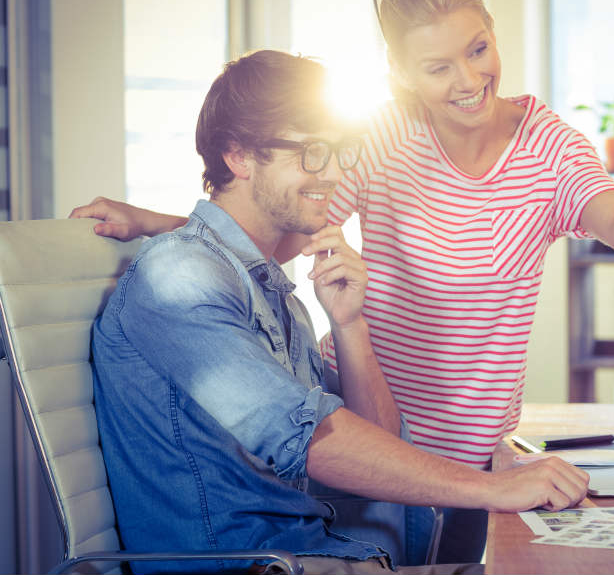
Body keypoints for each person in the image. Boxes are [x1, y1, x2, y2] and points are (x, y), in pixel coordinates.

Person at [72, 0, 614, 562]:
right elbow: (279, 226)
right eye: (437, 65)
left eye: (478, 48)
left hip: (442, 458)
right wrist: (162, 225)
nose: (468, 77)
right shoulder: (375, 143)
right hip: (364, 480)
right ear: (401, 75)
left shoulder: (547, 145)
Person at [89, 49, 588, 575]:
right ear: (238, 156)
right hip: (252, 564)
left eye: (339, 152)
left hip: (314, 552)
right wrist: (492, 488)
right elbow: (307, 442)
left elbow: (376, 434)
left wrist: (349, 324)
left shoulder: (270, 288)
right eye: (310, 154)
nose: (331, 174)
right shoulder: (181, 277)